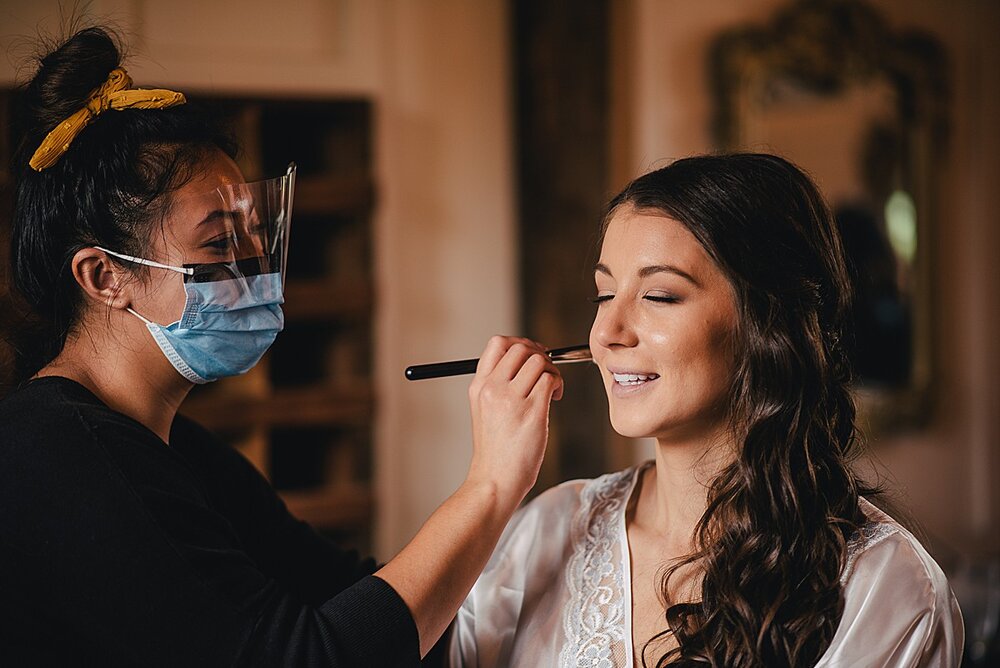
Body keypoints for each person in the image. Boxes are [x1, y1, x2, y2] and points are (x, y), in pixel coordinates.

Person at [0, 27, 564, 666]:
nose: (256, 266)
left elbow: (346, 595)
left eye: (255, 234)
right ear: (105, 277)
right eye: (219, 243)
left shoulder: (180, 451)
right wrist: (489, 485)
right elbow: (309, 658)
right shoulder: (56, 456)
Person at [450, 154, 964, 667]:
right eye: (603, 295)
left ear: (767, 324)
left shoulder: (886, 590)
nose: (607, 333)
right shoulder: (543, 534)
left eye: (659, 295)